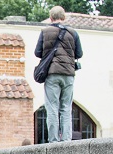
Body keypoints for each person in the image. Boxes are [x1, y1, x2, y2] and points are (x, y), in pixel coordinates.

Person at [35, 6, 83, 143]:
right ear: (64, 17)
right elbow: (79, 54)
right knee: (66, 108)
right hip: (68, 74)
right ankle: (67, 139)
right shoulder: (73, 33)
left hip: (52, 73)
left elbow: (37, 52)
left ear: (51, 18)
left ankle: (54, 139)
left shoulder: (45, 32)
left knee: (52, 107)